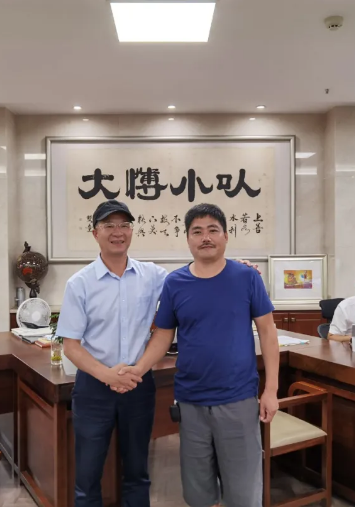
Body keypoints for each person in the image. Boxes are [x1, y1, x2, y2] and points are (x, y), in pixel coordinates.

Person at [56, 199, 260, 507]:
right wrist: (109, 376)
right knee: (87, 475)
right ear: (95, 233)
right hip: (94, 388)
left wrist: (238, 268)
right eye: (109, 225)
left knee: (138, 471)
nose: (117, 232)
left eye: (124, 225)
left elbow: (199, 275)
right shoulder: (79, 284)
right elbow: (70, 345)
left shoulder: (154, 276)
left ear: (132, 231)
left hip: (138, 386)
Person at [119, 203, 280, 507]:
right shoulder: (175, 283)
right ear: (188, 238)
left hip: (238, 398)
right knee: (197, 491)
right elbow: (163, 335)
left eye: (212, 230)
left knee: (243, 491)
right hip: (191, 400)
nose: (205, 237)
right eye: (197, 231)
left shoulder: (247, 277)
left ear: (226, 236)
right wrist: (138, 369)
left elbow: (268, 333)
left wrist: (271, 390)